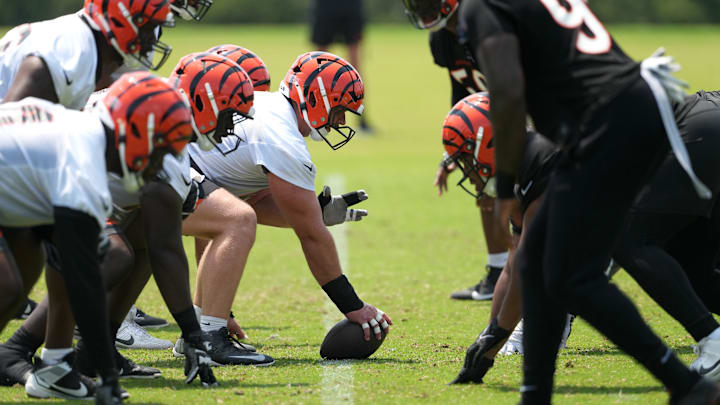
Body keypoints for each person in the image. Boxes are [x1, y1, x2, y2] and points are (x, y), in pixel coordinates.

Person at [455, 0, 719, 403]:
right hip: (627, 107)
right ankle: (536, 394)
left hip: (609, 120)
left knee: (578, 272)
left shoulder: (483, 8)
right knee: (550, 264)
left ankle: (687, 382)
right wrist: (494, 334)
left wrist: (506, 187)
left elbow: (508, 94)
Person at [173, 51, 391, 364]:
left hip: (176, 166)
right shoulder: (282, 138)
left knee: (234, 216)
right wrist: (353, 306)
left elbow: (251, 199)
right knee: (238, 221)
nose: (342, 121)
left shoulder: (270, 109)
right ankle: (208, 337)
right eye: (340, 109)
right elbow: (312, 237)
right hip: (164, 169)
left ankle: (197, 331)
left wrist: (312, 210)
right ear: (317, 98)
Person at [0, 71, 192, 403]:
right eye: (158, 152)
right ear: (134, 133)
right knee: (8, 286)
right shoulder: (84, 164)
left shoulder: (83, 135)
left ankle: (54, 368)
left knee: (42, 265)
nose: (157, 166)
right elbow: (86, 289)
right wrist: (106, 374)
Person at [402, 0, 509, 301]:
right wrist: (454, 148)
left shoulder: (487, 26)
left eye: (426, 3)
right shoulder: (441, 39)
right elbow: (461, 88)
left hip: (526, 108)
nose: (421, 10)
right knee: (480, 179)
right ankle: (500, 271)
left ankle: (524, 271)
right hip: (489, 114)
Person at [309, 0, 373, 132]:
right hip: (325, 6)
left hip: (350, 6)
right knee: (318, 65)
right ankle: (312, 116)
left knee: (355, 67)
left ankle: (361, 118)